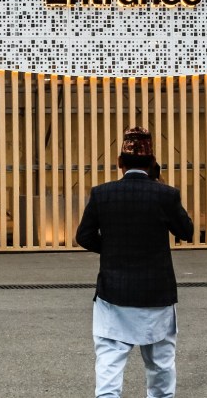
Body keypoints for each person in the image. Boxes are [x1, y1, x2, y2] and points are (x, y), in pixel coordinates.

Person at [76, 127, 194, 398]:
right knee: (161, 364)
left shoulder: (101, 193)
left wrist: (111, 250)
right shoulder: (166, 195)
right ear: (152, 163)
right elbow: (186, 231)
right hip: (157, 293)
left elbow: (83, 236)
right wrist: (160, 183)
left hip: (113, 293)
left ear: (120, 163)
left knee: (109, 363)